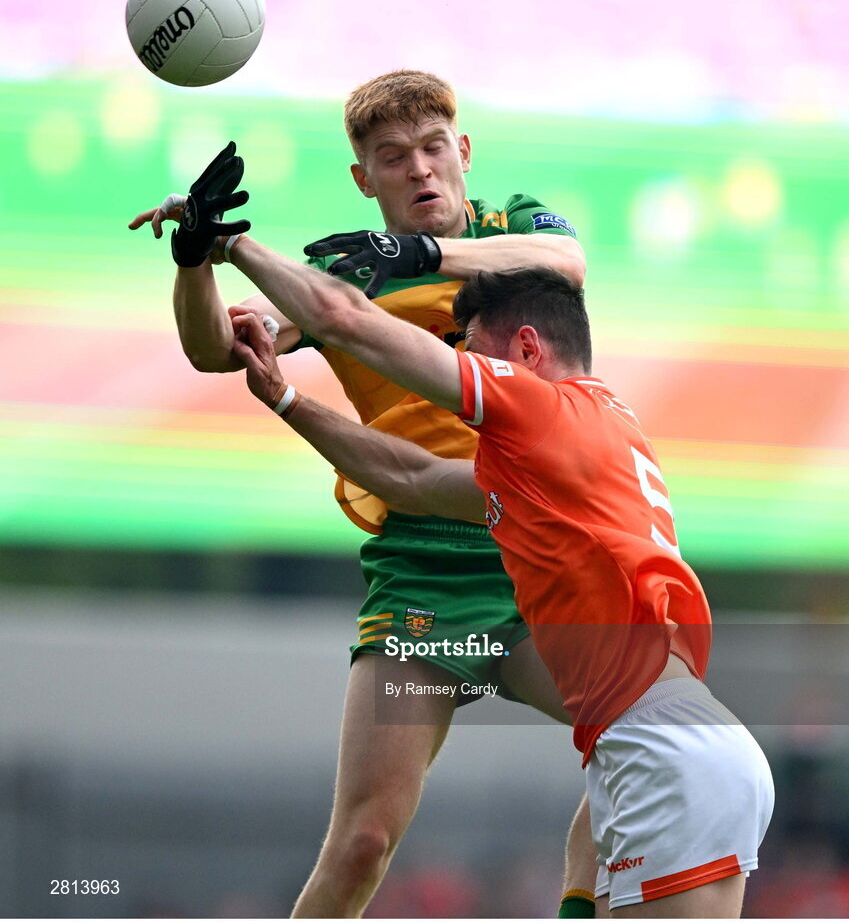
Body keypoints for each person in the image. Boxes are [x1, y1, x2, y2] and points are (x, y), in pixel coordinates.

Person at [128, 71, 597, 918]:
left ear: (461, 152)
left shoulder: (517, 226)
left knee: (646, 737)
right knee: (362, 843)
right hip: (421, 582)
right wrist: (196, 254)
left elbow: (562, 262)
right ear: (363, 178)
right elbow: (216, 350)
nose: (417, 169)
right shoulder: (338, 277)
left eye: (429, 149)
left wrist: (420, 255)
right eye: (391, 157)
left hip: (546, 566)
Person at [221, 260, 774, 919]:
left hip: (665, 753)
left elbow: (347, 318)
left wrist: (231, 244)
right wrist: (286, 398)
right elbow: (414, 478)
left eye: (472, 349)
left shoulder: (543, 410)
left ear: (526, 350)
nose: (460, 366)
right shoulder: (580, 442)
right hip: (663, 746)